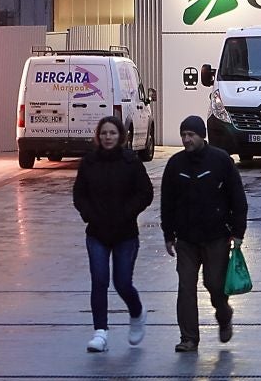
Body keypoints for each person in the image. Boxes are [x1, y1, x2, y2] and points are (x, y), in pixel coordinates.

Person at [161, 115, 249, 353]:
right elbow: (167, 202)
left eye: (191, 135)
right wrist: (168, 234)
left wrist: (238, 232)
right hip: (186, 239)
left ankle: (224, 315)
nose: (186, 139)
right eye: (183, 135)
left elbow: (238, 199)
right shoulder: (175, 165)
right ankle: (188, 338)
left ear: (202, 136)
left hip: (216, 237)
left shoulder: (220, 161)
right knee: (186, 288)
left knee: (214, 284)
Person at [72, 115, 154, 353]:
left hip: (125, 233)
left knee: (122, 283)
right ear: (98, 136)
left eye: (113, 133)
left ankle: (137, 312)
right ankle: (100, 332)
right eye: (104, 133)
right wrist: (89, 213)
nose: (108, 137)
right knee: (99, 281)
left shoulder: (131, 162)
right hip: (96, 232)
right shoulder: (89, 162)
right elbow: (79, 194)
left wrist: (128, 212)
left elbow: (145, 192)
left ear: (121, 136)